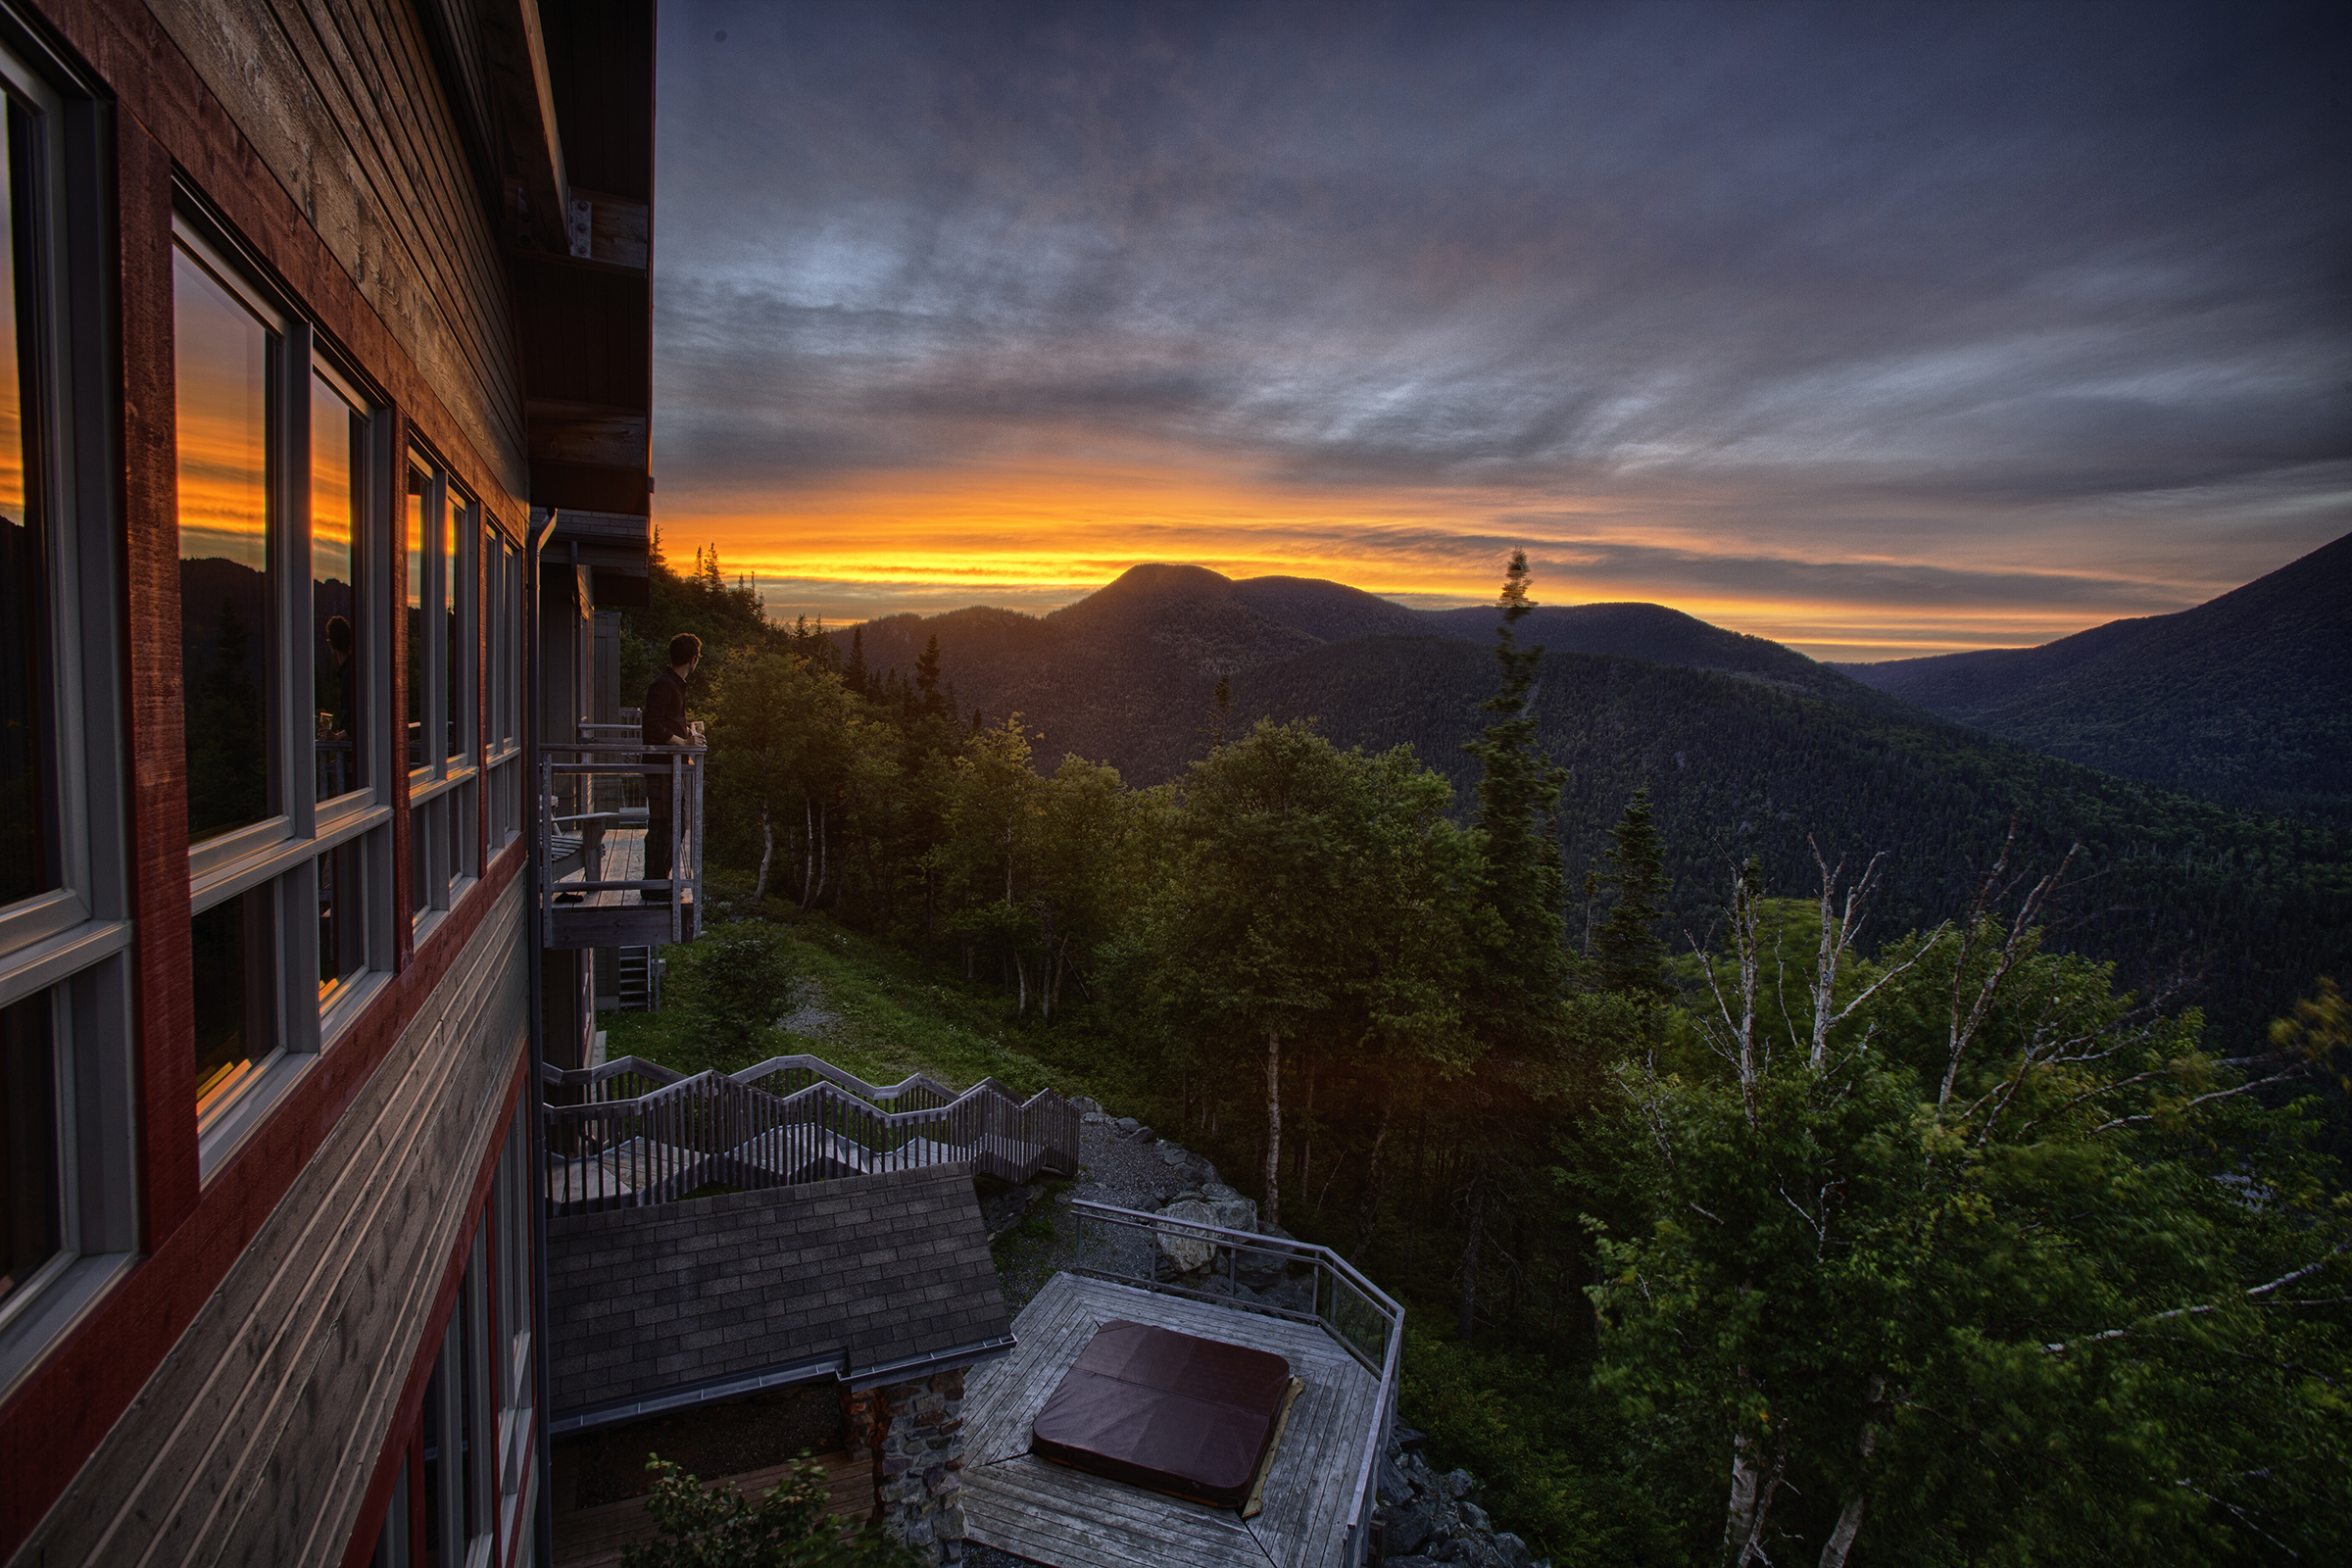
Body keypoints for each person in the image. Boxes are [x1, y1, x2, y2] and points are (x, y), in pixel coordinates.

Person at [641, 632, 701, 902]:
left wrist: (688, 734)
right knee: (663, 825)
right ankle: (653, 886)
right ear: (693, 659)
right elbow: (651, 725)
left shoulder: (674, 684)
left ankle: (660, 880)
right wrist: (683, 743)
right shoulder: (665, 684)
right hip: (661, 768)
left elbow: (665, 720)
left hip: (672, 767)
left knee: (675, 823)